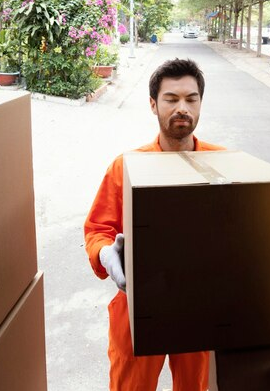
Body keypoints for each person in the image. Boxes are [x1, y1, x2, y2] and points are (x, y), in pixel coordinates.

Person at [84, 58, 222, 391]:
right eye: (171, 99)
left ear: (200, 104)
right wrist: (106, 255)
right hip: (138, 303)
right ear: (153, 104)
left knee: (194, 385)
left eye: (191, 99)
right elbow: (98, 230)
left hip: (198, 304)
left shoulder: (222, 164)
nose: (182, 108)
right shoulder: (126, 166)